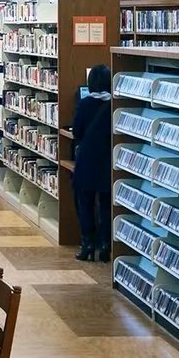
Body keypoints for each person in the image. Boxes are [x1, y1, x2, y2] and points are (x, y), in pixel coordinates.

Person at [70, 63, 114, 260]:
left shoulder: (85, 103)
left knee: (85, 202)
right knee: (106, 204)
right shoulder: (115, 105)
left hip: (87, 159)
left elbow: (77, 131)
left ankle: (87, 244)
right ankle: (105, 245)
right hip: (108, 160)